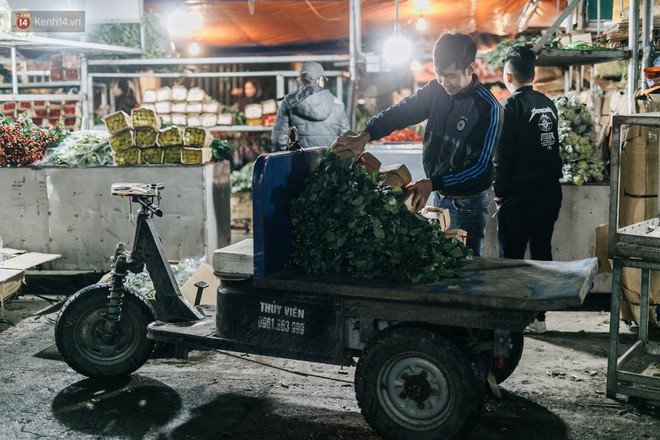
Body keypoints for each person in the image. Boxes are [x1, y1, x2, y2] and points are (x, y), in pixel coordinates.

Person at [332, 33, 503, 257]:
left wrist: (433, 182)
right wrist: (366, 134)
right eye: (439, 75)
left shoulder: (487, 107)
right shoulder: (435, 90)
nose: (444, 82)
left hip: (468, 206)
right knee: (439, 264)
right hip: (439, 196)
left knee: (465, 271)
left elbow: (478, 166)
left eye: (450, 76)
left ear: (470, 68)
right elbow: (402, 112)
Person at [493, 45, 563, 334]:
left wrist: (499, 193)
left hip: (520, 195)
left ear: (508, 76)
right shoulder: (549, 103)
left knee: (511, 258)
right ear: (532, 74)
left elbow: (502, 155)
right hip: (549, 192)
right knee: (542, 253)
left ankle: (509, 318)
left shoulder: (510, 106)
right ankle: (539, 318)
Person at [271, 62, 349, 150]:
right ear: (320, 80)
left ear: (300, 81)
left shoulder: (289, 102)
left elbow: (278, 140)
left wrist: (291, 158)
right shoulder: (337, 103)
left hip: (299, 161)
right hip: (329, 161)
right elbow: (345, 138)